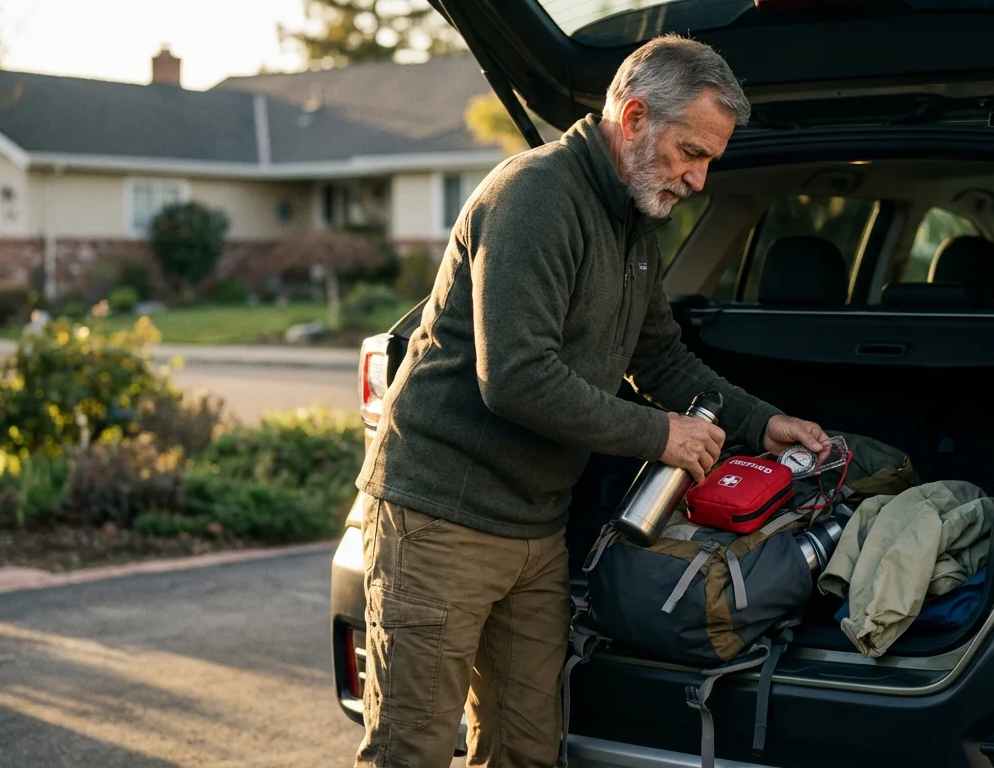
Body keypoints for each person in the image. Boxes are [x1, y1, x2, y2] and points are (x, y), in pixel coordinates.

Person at [353, 34, 832, 768]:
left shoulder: (633, 221)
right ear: (634, 117)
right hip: (440, 521)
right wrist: (661, 436)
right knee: (409, 751)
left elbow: (659, 356)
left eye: (708, 161)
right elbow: (515, 377)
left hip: (535, 530)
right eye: (691, 152)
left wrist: (760, 422)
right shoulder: (536, 197)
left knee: (526, 751)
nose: (699, 180)